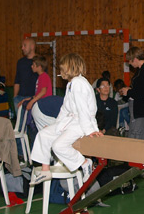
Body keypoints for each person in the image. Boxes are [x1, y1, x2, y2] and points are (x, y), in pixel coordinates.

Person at [30, 53, 102, 185]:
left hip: (80, 123)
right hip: (70, 121)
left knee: (58, 146)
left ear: (70, 68)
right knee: (43, 134)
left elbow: (83, 109)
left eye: (62, 68)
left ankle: (85, 163)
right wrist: (55, 126)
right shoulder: (71, 84)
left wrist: (90, 130)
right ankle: (45, 171)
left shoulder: (78, 83)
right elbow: (64, 109)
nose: (60, 71)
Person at [118, 47, 144, 140]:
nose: (130, 64)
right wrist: (129, 89)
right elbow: (141, 89)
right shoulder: (141, 70)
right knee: (137, 133)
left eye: (130, 61)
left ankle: (136, 154)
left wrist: (129, 91)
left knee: (136, 134)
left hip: (141, 108)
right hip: (139, 107)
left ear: (135, 59)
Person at [14, 37, 39, 108]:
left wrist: (35, 98)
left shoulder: (40, 61)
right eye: (22, 46)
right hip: (19, 97)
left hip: (33, 98)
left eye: (25, 45)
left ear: (32, 46)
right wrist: (15, 97)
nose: (22, 48)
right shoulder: (20, 62)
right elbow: (17, 80)